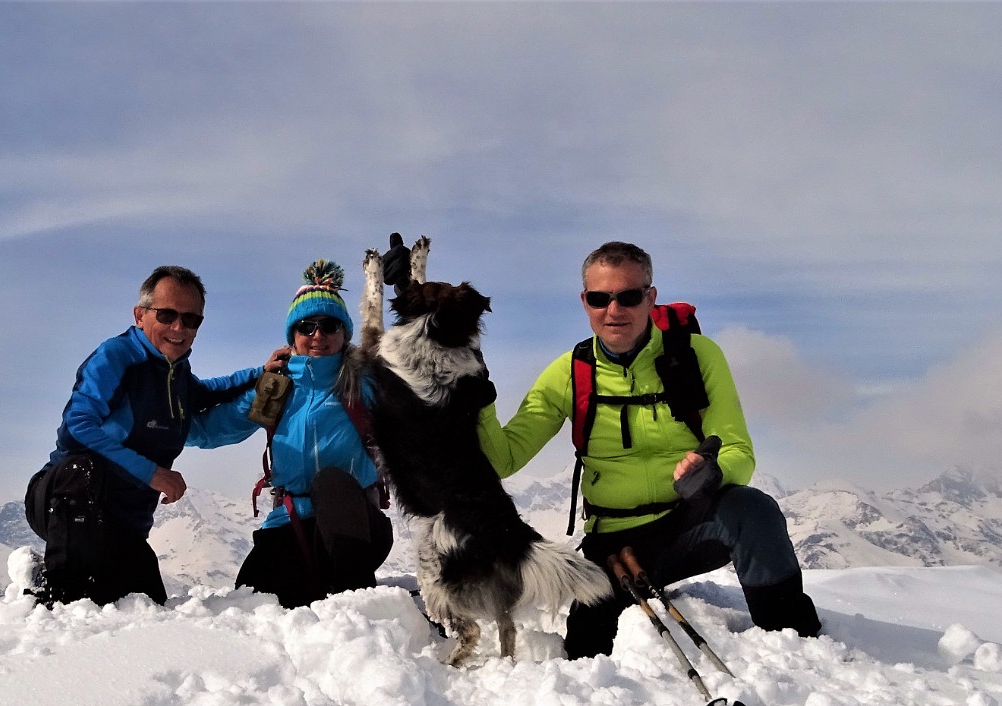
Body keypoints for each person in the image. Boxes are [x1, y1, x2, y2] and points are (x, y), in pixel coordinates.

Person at [475, 241, 821, 659]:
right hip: (612, 541)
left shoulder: (696, 356)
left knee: (753, 510)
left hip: (686, 523)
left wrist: (712, 472)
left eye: (629, 296)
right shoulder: (570, 373)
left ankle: (796, 646)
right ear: (585, 302)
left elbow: (736, 448)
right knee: (588, 648)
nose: (614, 310)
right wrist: (478, 399)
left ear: (650, 297)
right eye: (600, 298)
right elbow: (503, 458)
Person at [24, 264, 277, 606]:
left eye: (191, 319)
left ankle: (47, 571)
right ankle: (55, 593)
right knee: (82, 471)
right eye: (167, 314)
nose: (178, 327)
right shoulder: (116, 356)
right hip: (66, 499)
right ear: (140, 315)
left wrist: (261, 372)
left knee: (146, 606)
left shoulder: (176, 373)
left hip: (123, 523)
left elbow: (206, 392)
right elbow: (77, 428)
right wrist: (153, 473)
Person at [190, 259, 392, 608]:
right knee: (248, 605)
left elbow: (423, 385)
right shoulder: (276, 391)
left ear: (344, 334)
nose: (318, 336)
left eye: (329, 325)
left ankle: (364, 613)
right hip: (291, 525)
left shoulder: (364, 384)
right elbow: (210, 430)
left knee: (331, 483)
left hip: (355, 528)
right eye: (306, 326)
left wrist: (409, 294)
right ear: (292, 337)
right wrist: (153, 421)